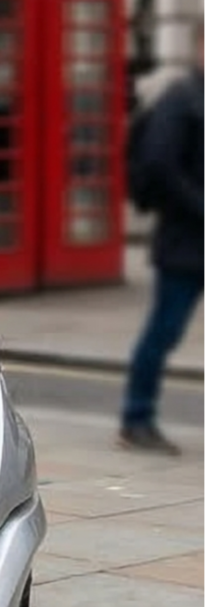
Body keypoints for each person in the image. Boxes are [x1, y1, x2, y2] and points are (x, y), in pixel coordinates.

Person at [122, 42, 203, 455]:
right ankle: (136, 418)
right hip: (185, 242)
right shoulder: (181, 99)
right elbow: (158, 163)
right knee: (164, 331)